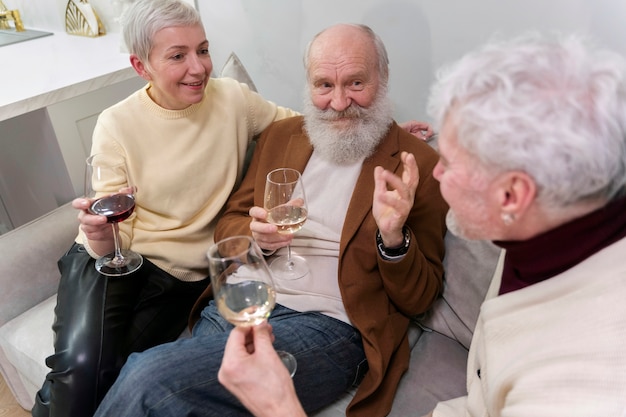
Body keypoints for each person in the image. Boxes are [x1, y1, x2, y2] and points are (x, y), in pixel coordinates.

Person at [218, 32, 626, 416]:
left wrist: (278, 406)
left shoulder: (584, 382)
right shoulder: (542, 230)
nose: (438, 174)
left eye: (450, 162)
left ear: (512, 195)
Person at [93, 23, 448, 417]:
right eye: (324, 85)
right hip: (243, 299)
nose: (339, 101)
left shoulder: (418, 165)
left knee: (148, 375)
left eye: (356, 83)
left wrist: (393, 238)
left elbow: (422, 296)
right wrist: (256, 238)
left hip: (327, 324)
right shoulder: (282, 136)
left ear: (382, 80)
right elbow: (232, 221)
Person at [30, 0, 304, 416]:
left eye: (204, 49)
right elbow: (107, 235)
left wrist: (384, 130)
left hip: (180, 278)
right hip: (107, 259)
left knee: (117, 372)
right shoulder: (116, 124)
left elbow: (298, 126)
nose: (198, 68)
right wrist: (101, 236)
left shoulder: (233, 100)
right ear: (142, 67)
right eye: (177, 56)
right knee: (81, 367)